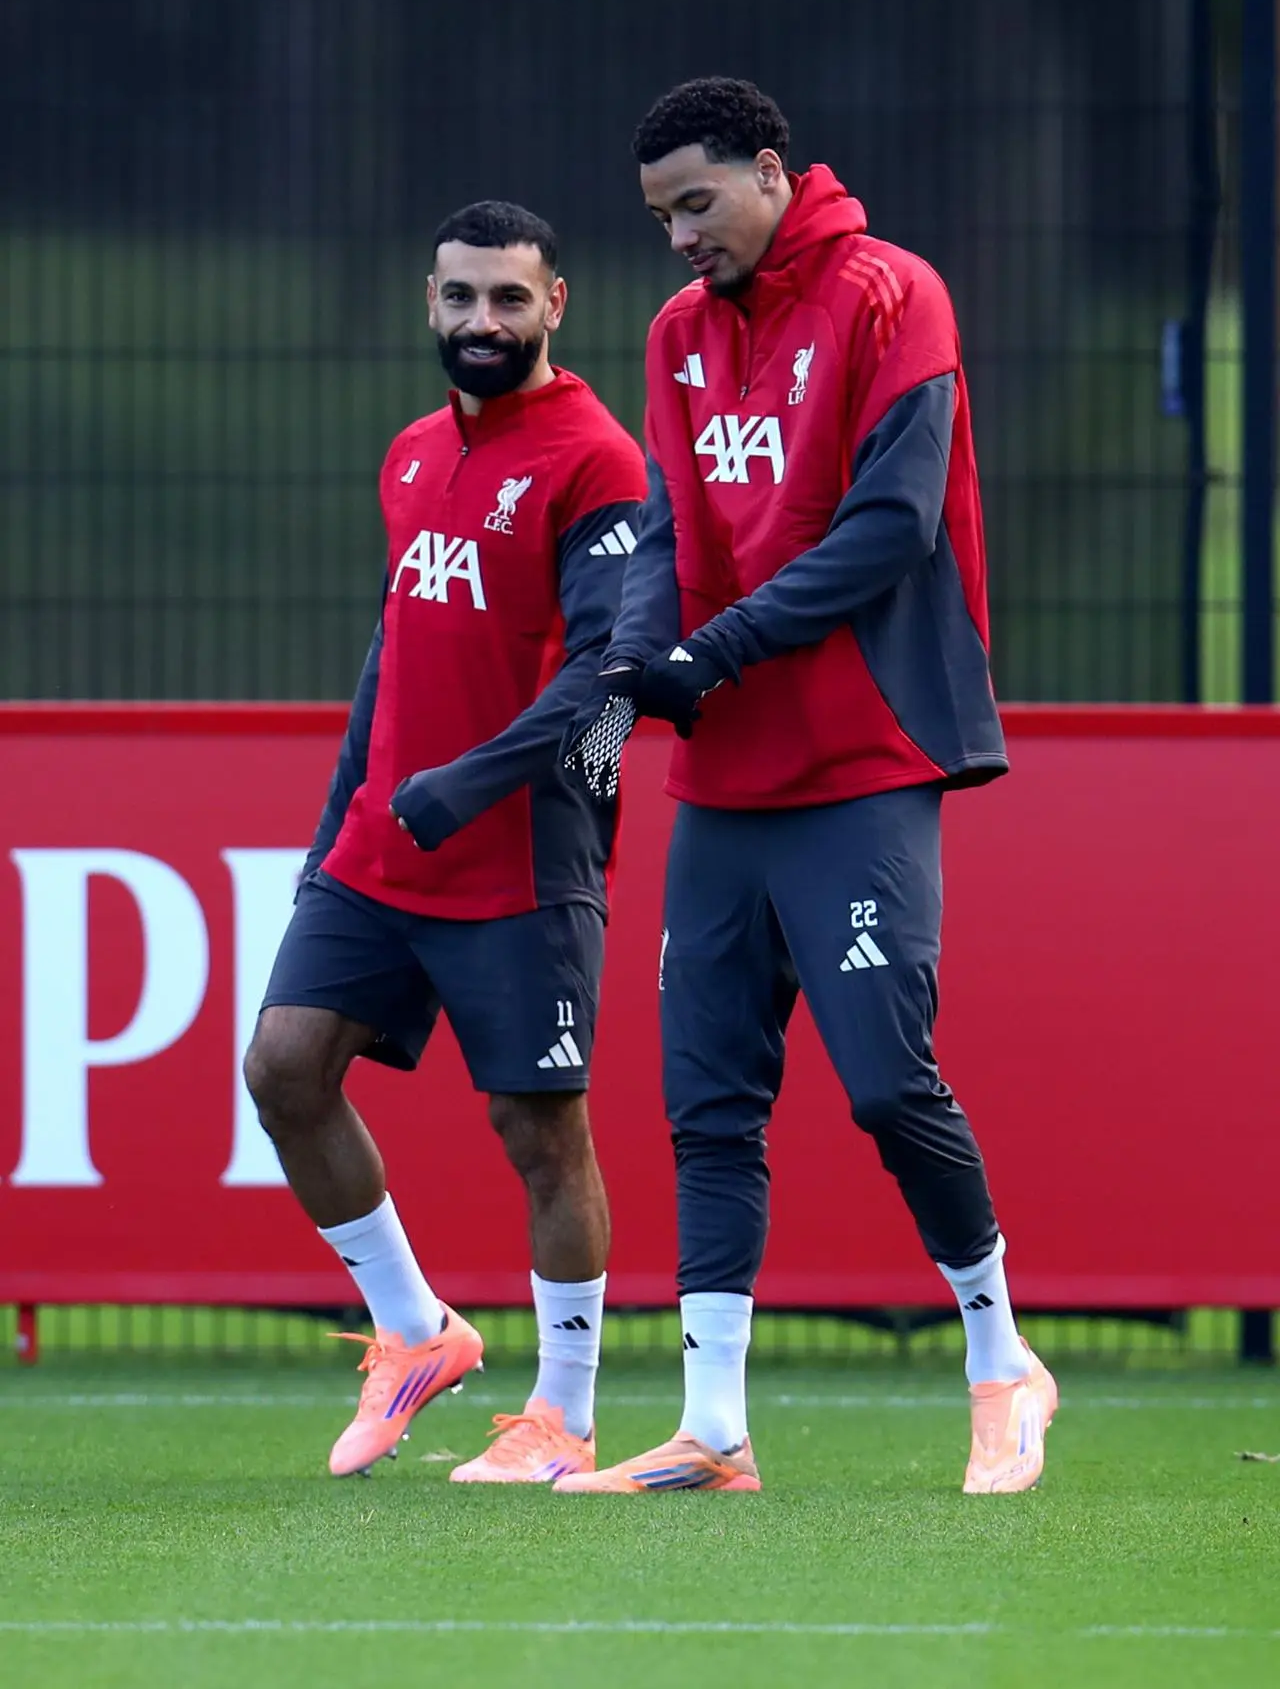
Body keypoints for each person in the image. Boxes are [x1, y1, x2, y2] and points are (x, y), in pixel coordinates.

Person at [559, 78, 1057, 1496]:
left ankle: (1002, 1358)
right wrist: (641, 644)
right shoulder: (675, 333)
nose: (678, 239)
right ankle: (714, 1426)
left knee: (888, 1080)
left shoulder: (896, 297)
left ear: (772, 174)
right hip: (727, 777)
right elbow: (665, 517)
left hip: (863, 756)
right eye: (659, 216)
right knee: (708, 1102)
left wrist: (708, 649)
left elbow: (892, 526)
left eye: (698, 204)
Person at [244, 200, 646, 1484]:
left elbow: (607, 671)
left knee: (539, 1129)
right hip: (380, 844)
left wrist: (463, 785)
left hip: (519, 850)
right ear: (429, 302)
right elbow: (390, 654)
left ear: (555, 306)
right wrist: (339, 819)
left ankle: (564, 1413)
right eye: (461, 298)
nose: (484, 322)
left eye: (508, 300)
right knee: (284, 1067)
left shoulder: (597, 459)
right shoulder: (412, 452)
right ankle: (415, 1332)